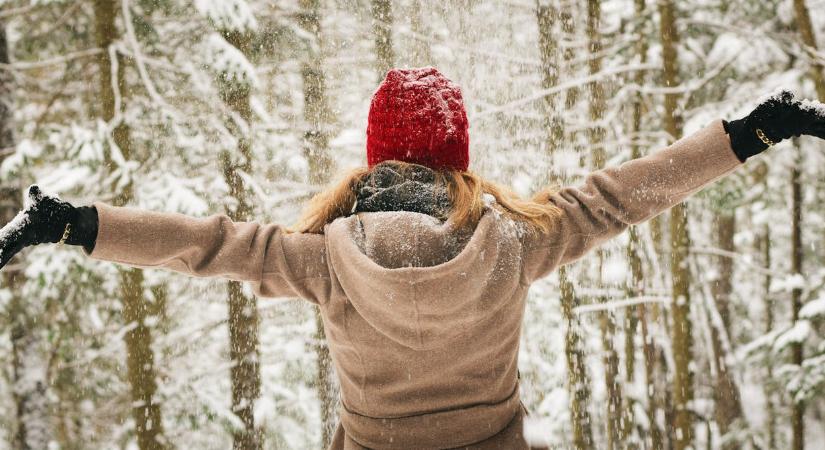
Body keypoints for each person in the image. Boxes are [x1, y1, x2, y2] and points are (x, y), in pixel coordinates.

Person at [1, 67, 824, 449]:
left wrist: (76, 223)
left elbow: (206, 245)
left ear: (371, 161)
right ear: (456, 159)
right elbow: (619, 195)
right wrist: (751, 133)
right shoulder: (515, 240)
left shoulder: (322, 259)